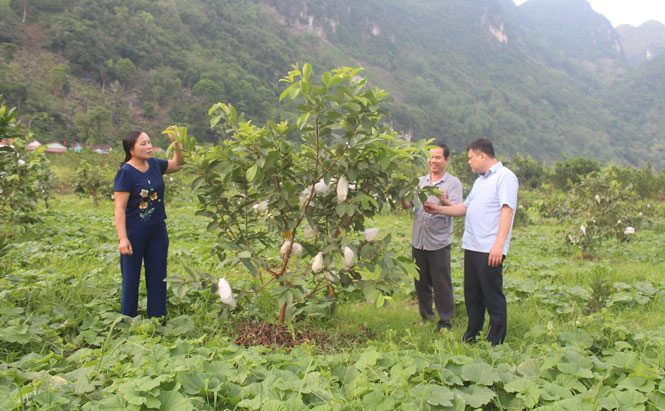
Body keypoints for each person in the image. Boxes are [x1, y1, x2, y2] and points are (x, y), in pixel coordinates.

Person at [424, 138, 518, 345]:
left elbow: (507, 210)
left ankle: (496, 341)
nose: (469, 162)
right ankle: (472, 334)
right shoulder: (480, 181)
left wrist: (499, 245)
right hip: (472, 246)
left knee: (492, 295)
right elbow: (464, 208)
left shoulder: (505, 177)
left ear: (482, 155)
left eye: (471, 158)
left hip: (489, 248)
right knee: (473, 295)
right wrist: (438, 208)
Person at [113, 128, 184, 319]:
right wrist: (122, 238)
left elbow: (177, 164)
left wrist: (177, 142)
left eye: (149, 142)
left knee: (158, 276)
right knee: (131, 279)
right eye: (143, 144)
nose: (149, 147)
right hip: (134, 233)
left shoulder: (154, 165)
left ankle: (157, 319)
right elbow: (119, 208)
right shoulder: (125, 173)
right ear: (131, 149)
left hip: (157, 231)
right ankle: (127, 320)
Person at [403, 142, 463, 333]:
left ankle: (445, 321)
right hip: (418, 240)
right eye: (430, 157)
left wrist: (442, 203)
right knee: (420, 282)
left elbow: (457, 209)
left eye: (438, 157)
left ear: (446, 160)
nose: (433, 161)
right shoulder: (419, 182)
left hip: (438, 242)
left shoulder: (453, 183)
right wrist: (404, 196)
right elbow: (406, 205)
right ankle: (425, 316)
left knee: (441, 284)